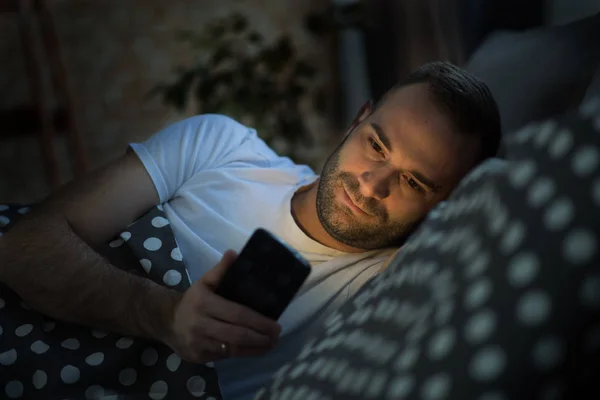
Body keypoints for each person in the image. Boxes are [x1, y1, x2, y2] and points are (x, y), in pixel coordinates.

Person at [0, 61, 501, 399]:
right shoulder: (223, 145)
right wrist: (163, 315)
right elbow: (24, 247)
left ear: (445, 208)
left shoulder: (393, 286)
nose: (372, 186)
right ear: (357, 119)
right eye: (377, 145)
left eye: (413, 181)